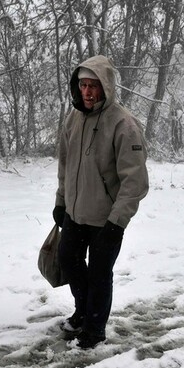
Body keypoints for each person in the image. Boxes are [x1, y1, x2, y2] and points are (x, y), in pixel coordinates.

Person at [52, 54, 149, 349]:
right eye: (83, 85)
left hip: (106, 219)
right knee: (68, 260)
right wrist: (61, 201)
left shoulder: (123, 124)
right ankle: (83, 311)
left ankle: (94, 330)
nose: (88, 92)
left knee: (99, 273)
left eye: (94, 85)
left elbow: (135, 181)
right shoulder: (74, 118)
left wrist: (117, 222)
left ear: (105, 86)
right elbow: (65, 165)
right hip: (75, 212)